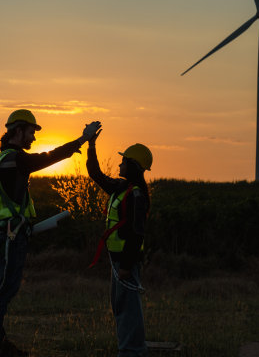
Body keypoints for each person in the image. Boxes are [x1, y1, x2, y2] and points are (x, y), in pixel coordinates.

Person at [0, 109, 101, 357]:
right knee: (4, 291)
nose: (33, 138)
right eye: (30, 132)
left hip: (2, 236)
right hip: (11, 238)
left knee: (1, 290)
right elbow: (49, 157)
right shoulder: (17, 159)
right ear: (18, 131)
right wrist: (82, 139)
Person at [86, 131, 152, 357]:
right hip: (118, 261)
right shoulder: (120, 188)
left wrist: (125, 265)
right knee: (122, 307)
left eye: (124, 160)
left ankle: (132, 351)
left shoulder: (135, 196)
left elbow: (136, 235)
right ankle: (131, 349)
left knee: (128, 309)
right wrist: (91, 145)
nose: (120, 163)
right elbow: (95, 174)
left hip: (125, 262)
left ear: (133, 165)